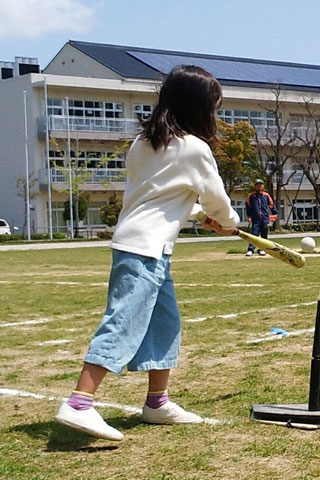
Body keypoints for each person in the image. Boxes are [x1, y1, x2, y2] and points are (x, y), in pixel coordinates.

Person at [54, 65, 240, 441]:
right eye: (213, 107)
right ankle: (79, 402)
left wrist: (200, 214)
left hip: (144, 245)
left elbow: (158, 196)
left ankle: (157, 402)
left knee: (164, 323)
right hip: (144, 251)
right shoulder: (194, 149)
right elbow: (216, 198)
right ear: (199, 107)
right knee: (123, 321)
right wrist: (227, 221)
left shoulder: (145, 143)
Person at [245, 179, 277, 256]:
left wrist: (274, 213)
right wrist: (249, 216)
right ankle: (251, 249)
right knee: (254, 234)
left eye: (260, 184)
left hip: (265, 218)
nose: (259, 186)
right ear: (255, 186)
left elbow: (271, 205)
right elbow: (248, 206)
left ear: (263, 186)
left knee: (264, 235)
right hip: (255, 219)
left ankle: (262, 249)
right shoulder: (251, 196)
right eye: (257, 184)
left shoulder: (266, 195)